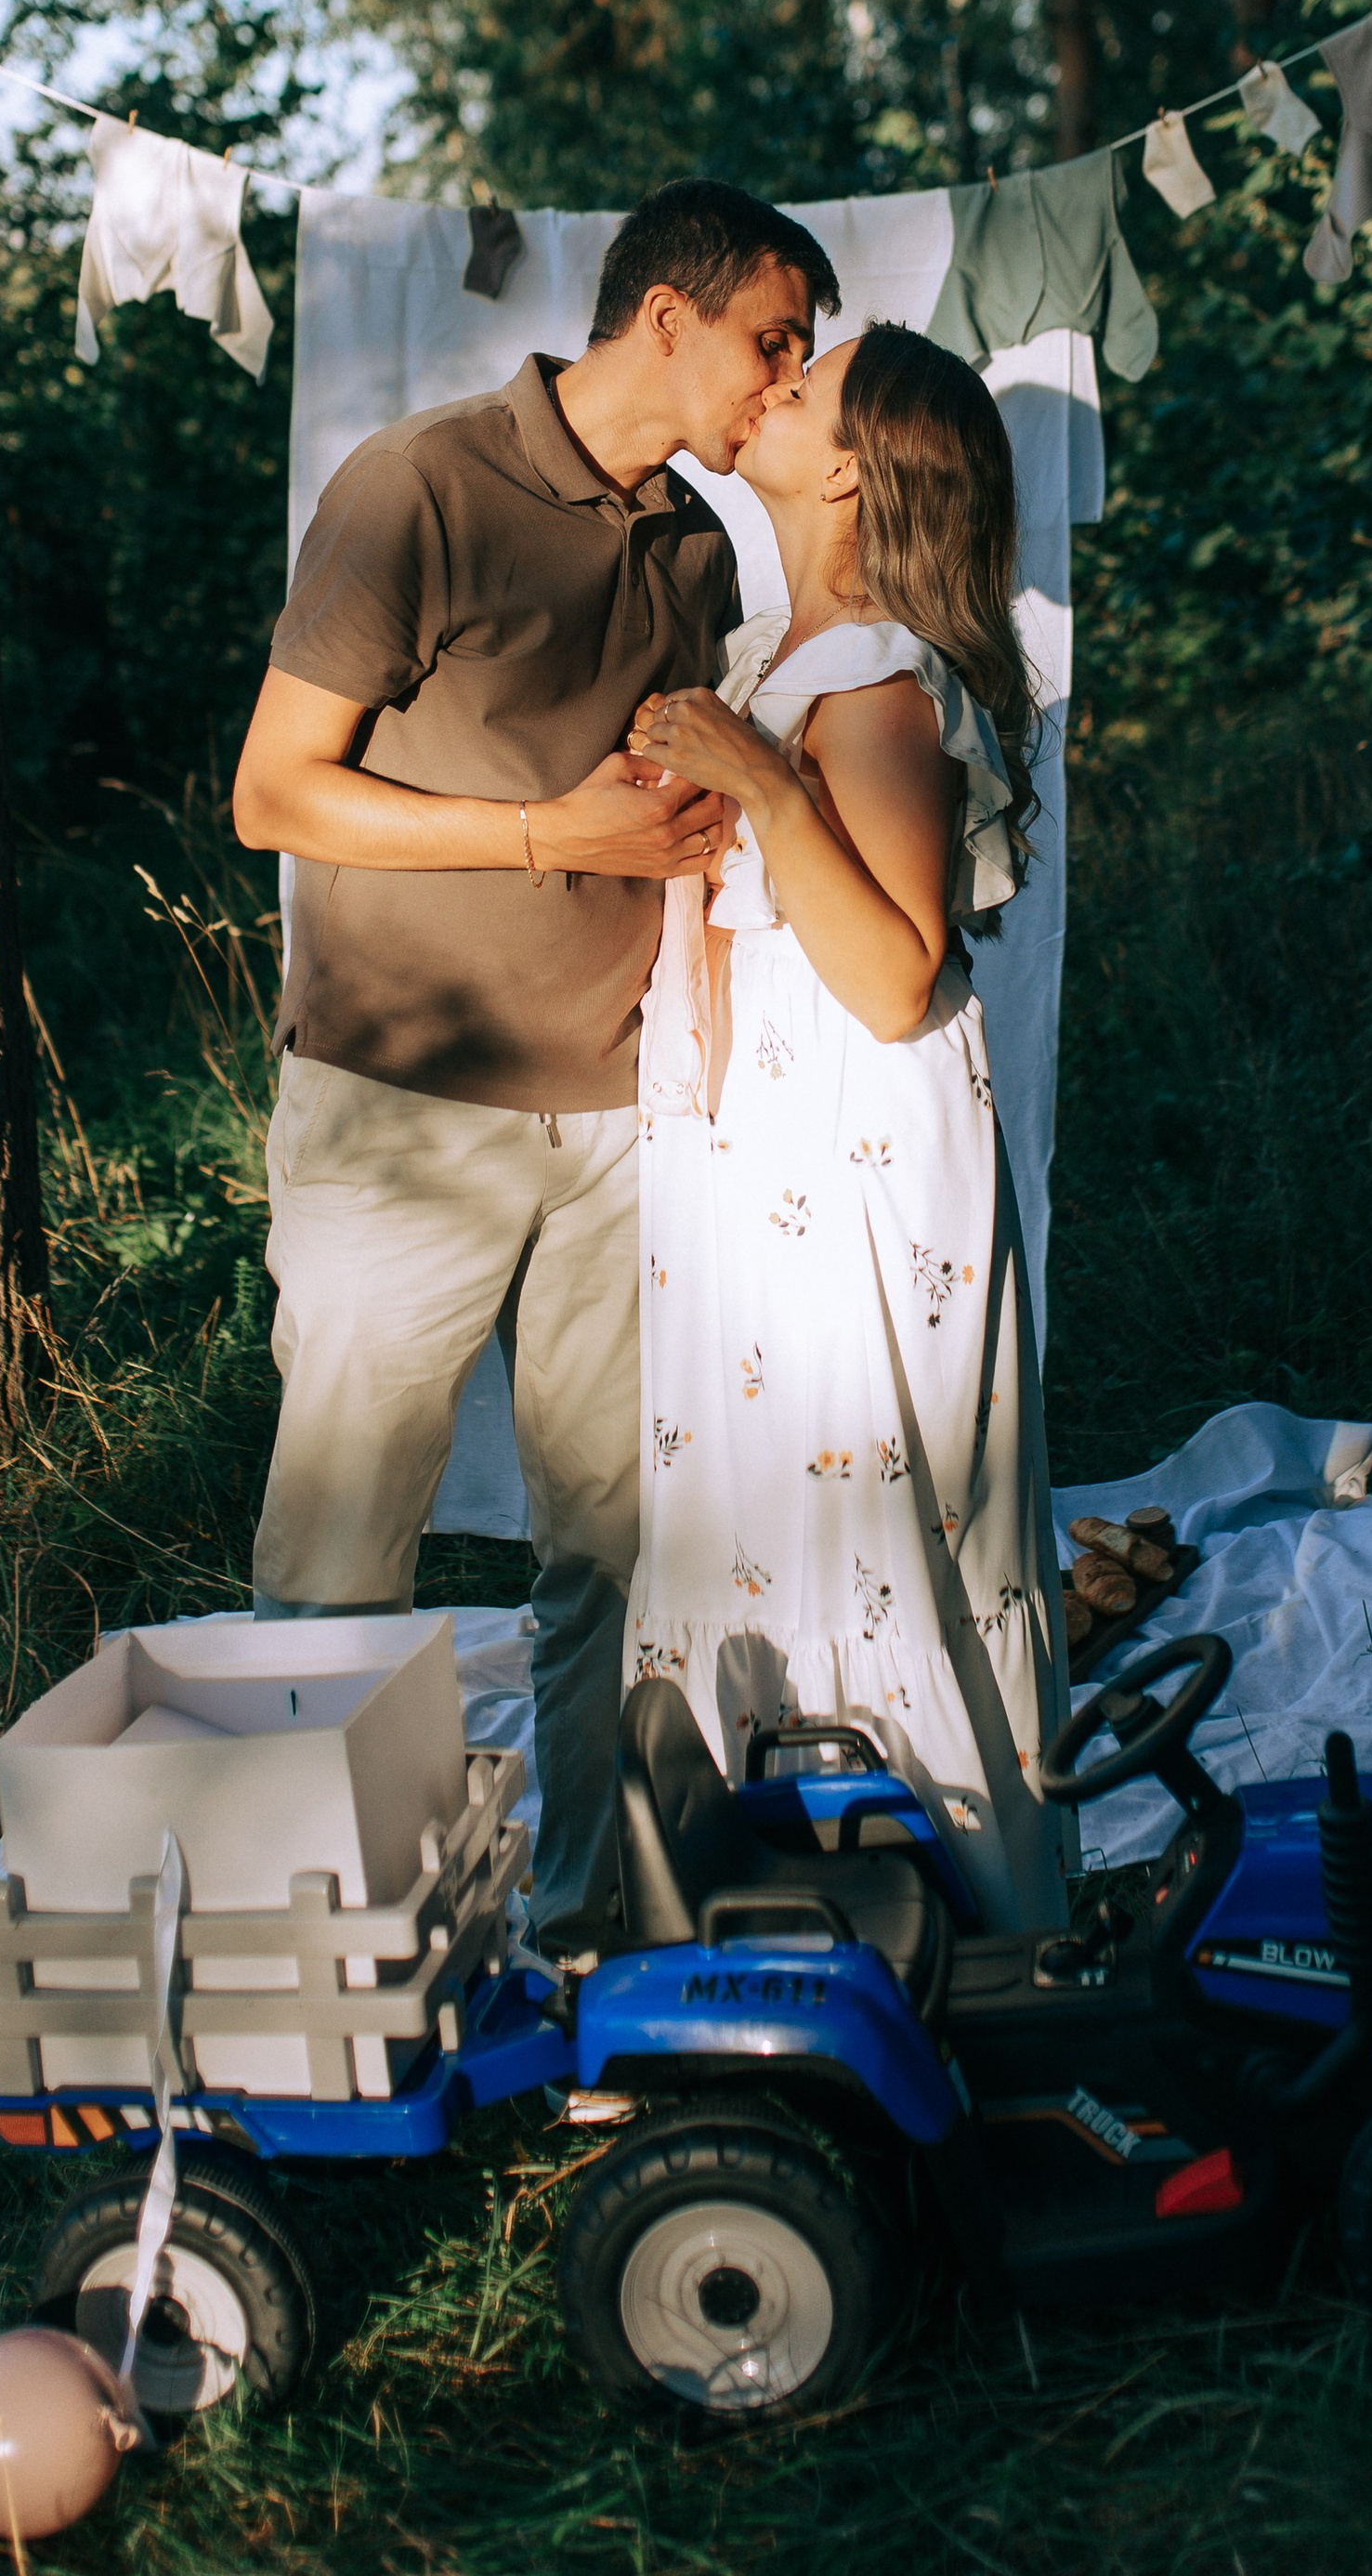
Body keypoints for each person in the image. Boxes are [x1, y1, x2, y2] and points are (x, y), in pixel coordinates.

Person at [230, 179, 842, 1935]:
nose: (783, 380)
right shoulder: (417, 487)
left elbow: (655, 811)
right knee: (346, 1543)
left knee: (610, 1547)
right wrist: (543, 833)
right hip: (402, 1107)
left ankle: (584, 1930)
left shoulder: (707, 545)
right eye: (770, 339)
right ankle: (320, 1943)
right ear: (666, 315)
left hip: (629, 1110)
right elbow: (275, 792)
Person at [624, 323, 1071, 1930]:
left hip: (852, 1165)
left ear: (851, 469)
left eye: (806, 385)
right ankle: (769, 1910)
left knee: (858, 1524)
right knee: (767, 1516)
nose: (774, 385)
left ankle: (928, 1916)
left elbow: (889, 978)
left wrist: (763, 781)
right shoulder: (773, 658)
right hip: (763, 1163)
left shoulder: (872, 680)